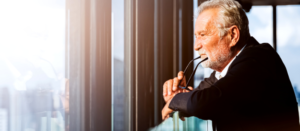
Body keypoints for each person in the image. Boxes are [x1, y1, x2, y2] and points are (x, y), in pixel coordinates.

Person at [161, 0, 300, 130]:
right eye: (196, 36)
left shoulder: (258, 60)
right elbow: (199, 96)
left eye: (203, 35)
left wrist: (176, 100)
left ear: (233, 35)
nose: (196, 46)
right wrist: (179, 94)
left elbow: (205, 103)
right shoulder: (226, 70)